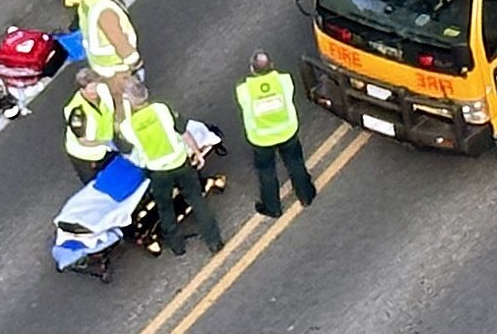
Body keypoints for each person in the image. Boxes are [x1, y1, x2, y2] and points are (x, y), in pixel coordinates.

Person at [119, 88, 223, 256]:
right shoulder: (162, 109)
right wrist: (197, 152)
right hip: (180, 163)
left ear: (130, 101)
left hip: (158, 172)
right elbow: (184, 132)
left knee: (165, 208)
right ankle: (214, 241)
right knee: (197, 201)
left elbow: (126, 149)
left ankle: (176, 246)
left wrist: (126, 110)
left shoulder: (127, 126)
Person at [235, 52, 317, 219]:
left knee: (267, 172)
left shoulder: (244, 90)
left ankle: (273, 207)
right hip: (287, 132)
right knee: (295, 163)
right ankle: (306, 195)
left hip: (261, 139)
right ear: (272, 65)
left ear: (252, 69)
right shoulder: (284, 80)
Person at [73, 0, 143, 106]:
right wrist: (134, 61)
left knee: (114, 92)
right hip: (115, 64)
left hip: (99, 62)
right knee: (124, 98)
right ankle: (124, 122)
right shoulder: (105, 10)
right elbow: (118, 40)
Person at [63, 68, 118, 183]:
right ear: (82, 90)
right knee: (95, 185)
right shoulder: (77, 112)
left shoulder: (102, 90)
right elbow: (83, 141)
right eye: (91, 88)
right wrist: (106, 142)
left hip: (107, 147)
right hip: (87, 156)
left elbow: (110, 112)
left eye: (96, 86)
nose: (95, 91)